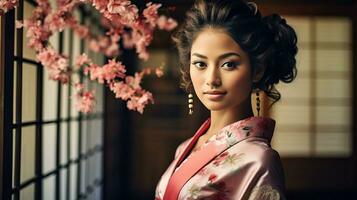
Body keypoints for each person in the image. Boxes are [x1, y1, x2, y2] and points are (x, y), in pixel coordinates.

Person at [155, 0, 298, 199]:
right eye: (200, 64)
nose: (211, 79)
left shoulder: (259, 160)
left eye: (229, 64)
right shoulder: (185, 147)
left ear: (257, 70)